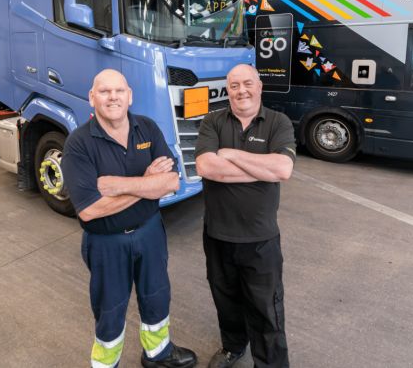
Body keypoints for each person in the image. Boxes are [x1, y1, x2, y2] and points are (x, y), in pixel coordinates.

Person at [61, 69, 198, 368]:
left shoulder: (147, 128)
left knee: (157, 295)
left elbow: (172, 182)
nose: (113, 97)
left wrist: (118, 185)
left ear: (130, 96)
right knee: (110, 308)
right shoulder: (78, 144)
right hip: (106, 243)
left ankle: (158, 353)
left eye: (119, 91)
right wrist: (148, 184)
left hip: (150, 233)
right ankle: (106, 364)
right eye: (105, 91)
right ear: (92, 97)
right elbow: (89, 209)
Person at [194, 64, 296, 368]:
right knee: (226, 301)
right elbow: (206, 167)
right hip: (218, 236)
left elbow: (282, 169)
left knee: (267, 309)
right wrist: (261, 169)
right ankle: (233, 347)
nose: (242, 91)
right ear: (228, 90)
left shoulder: (278, 122)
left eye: (248, 83)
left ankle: (271, 364)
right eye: (235, 85)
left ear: (259, 86)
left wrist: (232, 155)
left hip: (260, 239)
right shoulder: (212, 121)